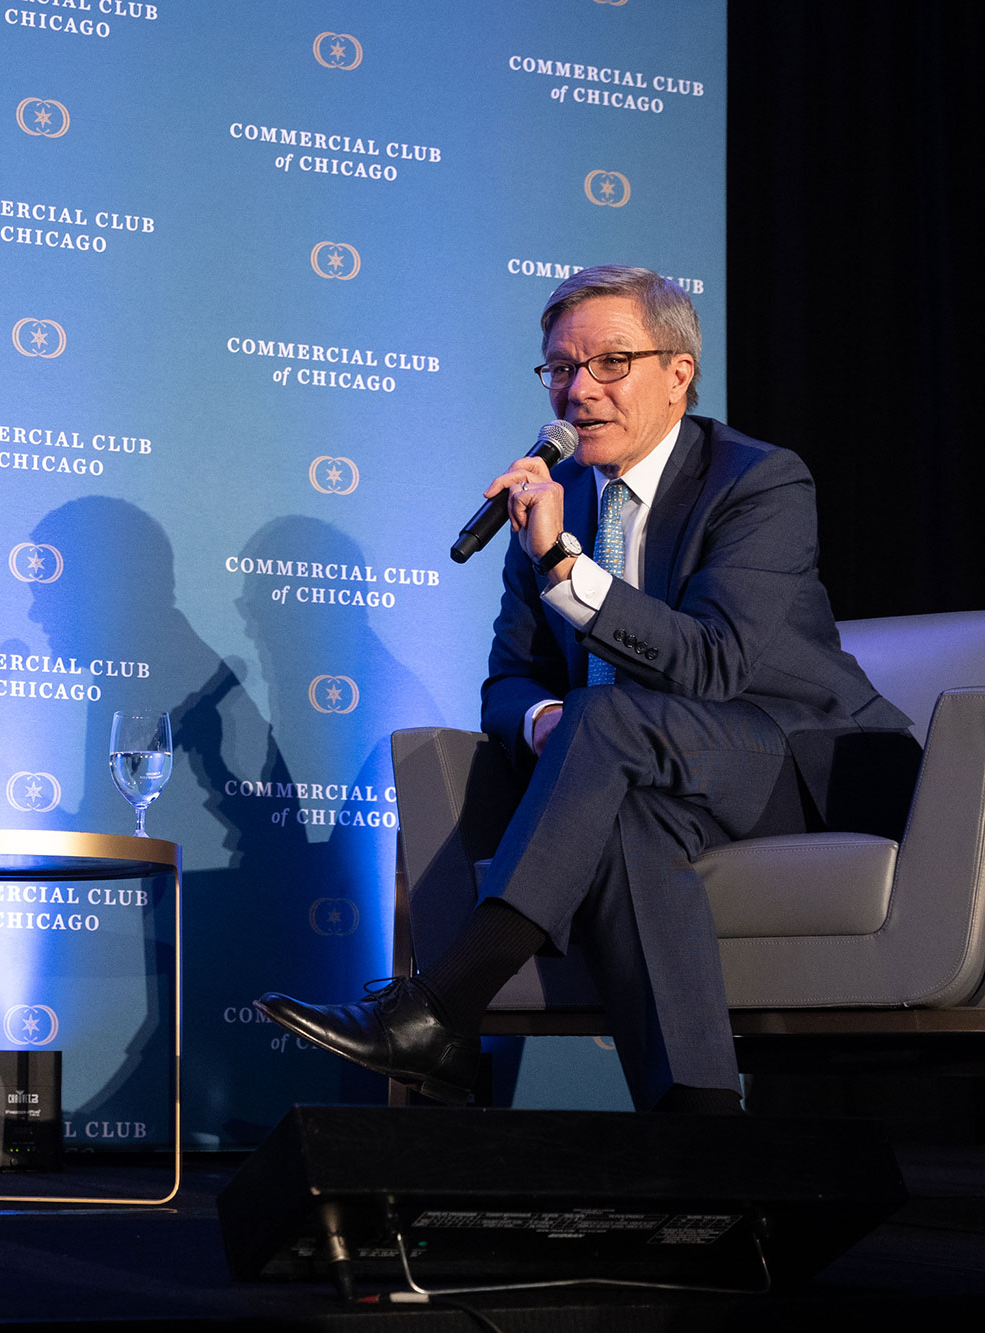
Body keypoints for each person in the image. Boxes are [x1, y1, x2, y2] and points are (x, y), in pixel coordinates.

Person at [256, 266, 919, 1113]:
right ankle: (700, 1124)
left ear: (679, 374)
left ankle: (443, 1007)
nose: (581, 391)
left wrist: (566, 568)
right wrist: (539, 722)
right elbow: (508, 679)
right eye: (561, 369)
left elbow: (715, 662)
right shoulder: (554, 493)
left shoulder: (758, 481)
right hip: (651, 770)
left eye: (611, 363)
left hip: (795, 759)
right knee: (625, 822)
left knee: (605, 719)